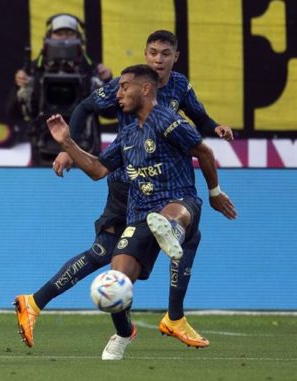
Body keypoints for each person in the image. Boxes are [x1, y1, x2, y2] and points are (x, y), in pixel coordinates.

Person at [14, 30, 236, 350]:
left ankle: (146, 321)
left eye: (164, 53)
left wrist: (213, 134)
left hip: (160, 185)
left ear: (175, 58)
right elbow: (86, 110)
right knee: (110, 255)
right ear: (145, 55)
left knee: (165, 235)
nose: (158, 59)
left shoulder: (173, 98)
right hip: (128, 181)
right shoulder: (128, 99)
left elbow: (200, 129)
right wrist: (66, 144)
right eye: (152, 53)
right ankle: (53, 307)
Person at [6, 13, 112, 165]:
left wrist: (107, 82)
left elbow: (109, 113)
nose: (65, 38)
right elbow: (13, 113)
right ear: (49, 36)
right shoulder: (34, 71)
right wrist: (19, 86)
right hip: (43, 153)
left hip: (86, 152)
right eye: (59, 33)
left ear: (79, 38)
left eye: (69, 33)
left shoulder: (91, 70)